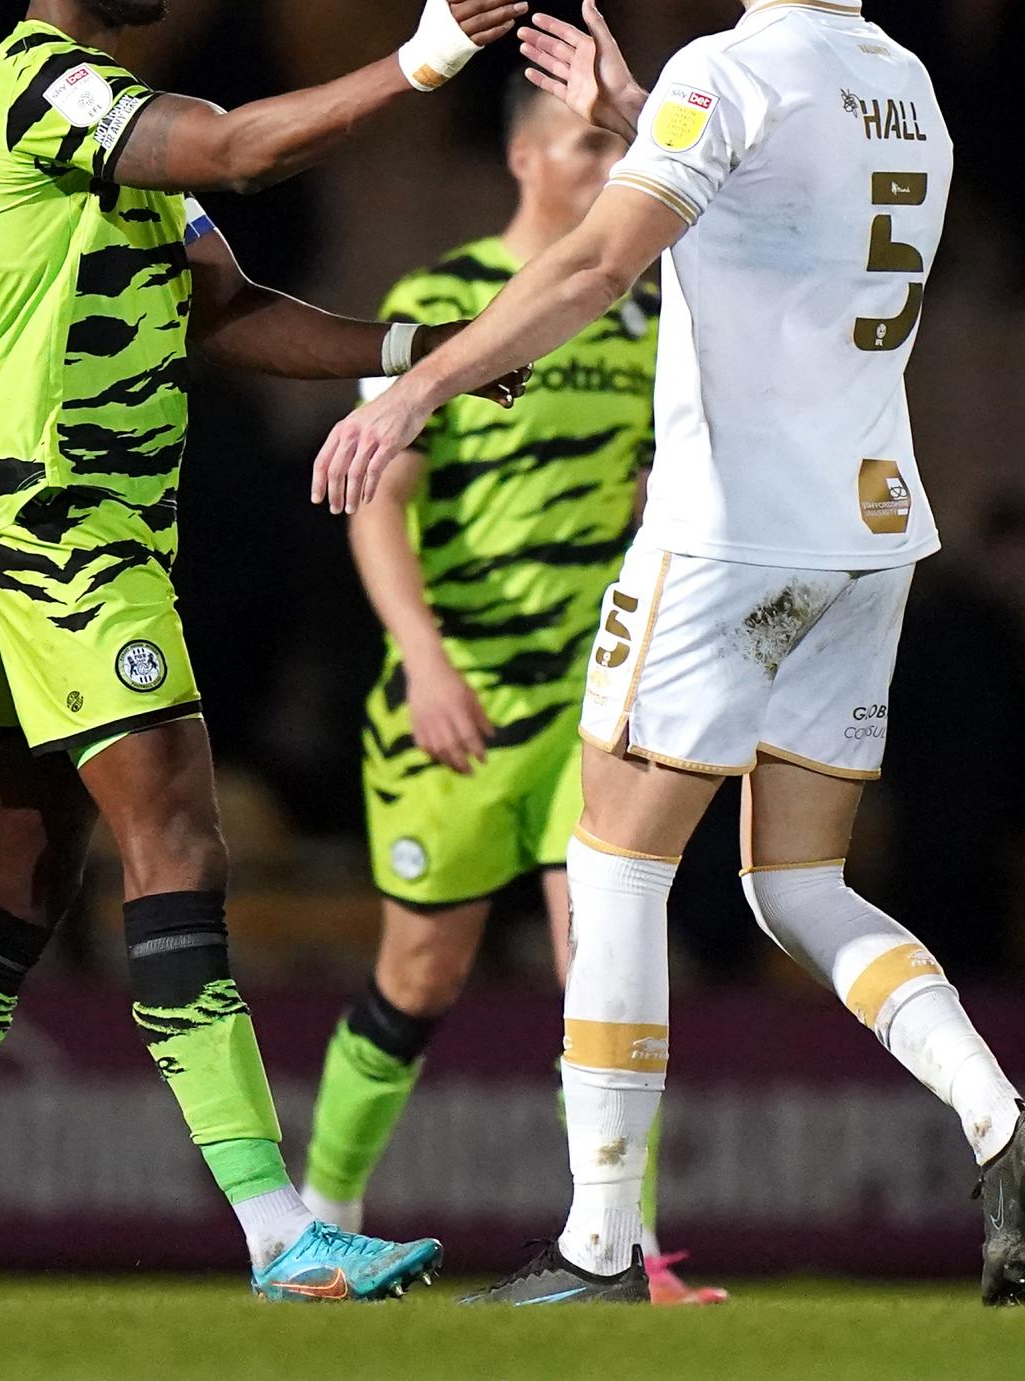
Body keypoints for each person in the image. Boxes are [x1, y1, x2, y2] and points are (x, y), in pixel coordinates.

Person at [313, 0, 1025, 1307]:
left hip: (730, 534)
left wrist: (415, 385)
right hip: (869, 532)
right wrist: (637, 112)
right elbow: (785, 227)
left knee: (611, 869)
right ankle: (1003, 1121)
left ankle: (600, 1240)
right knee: (797, 884)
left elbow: (602, 259)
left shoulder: (726, 73)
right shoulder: (909, 85)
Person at [0, 0, 529, 1304]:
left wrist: (410, 352)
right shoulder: (40, 87)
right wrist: (420, 64)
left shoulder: (106, 113)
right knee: (177, 834)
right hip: (62, 520)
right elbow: (248, 146)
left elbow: (223, 308)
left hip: (80, 519)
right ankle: (281, 1233)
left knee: (19, 875)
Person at [297, 77, 723, 1304]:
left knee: (603, 961)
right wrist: (422, 657)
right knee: (420, 975)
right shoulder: (435, 305)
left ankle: (619, 1245)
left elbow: (658, 482)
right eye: (593, 141)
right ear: (529, 157)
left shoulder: (640, 315)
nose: (610, 161)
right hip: (461, 696)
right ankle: (322, 1217)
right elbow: (379, 499)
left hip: (595, 698)